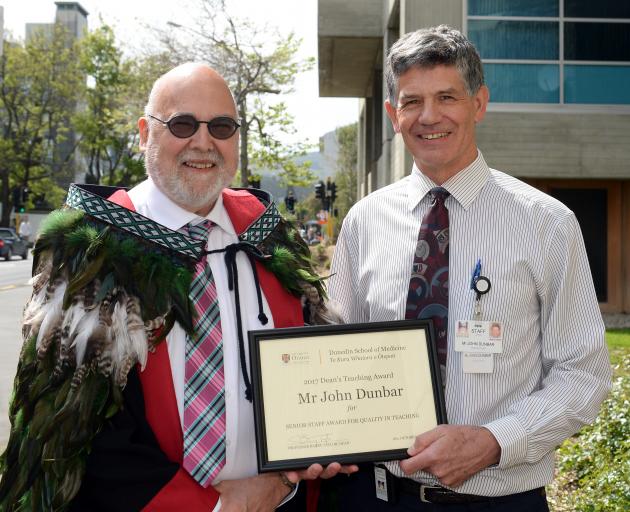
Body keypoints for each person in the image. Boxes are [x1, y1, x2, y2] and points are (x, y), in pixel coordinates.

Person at [0, 63, 355, 512]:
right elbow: (75, 432)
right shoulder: (94, 251)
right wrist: (217, 506)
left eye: (222, 127)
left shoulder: (268, 239)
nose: (204, 142)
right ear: (146, 133)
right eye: (183, 124)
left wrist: (318, 452)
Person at [325, 26, 611, 510]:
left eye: (447, 97)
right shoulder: (362, 222)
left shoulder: (547, 224)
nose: (429, 117)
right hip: (372, 497)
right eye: (412, 101)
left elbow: (583, 374)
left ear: (479, 104)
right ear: (393, 115)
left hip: (500, 498)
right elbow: (331, 353)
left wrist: (494, 441)